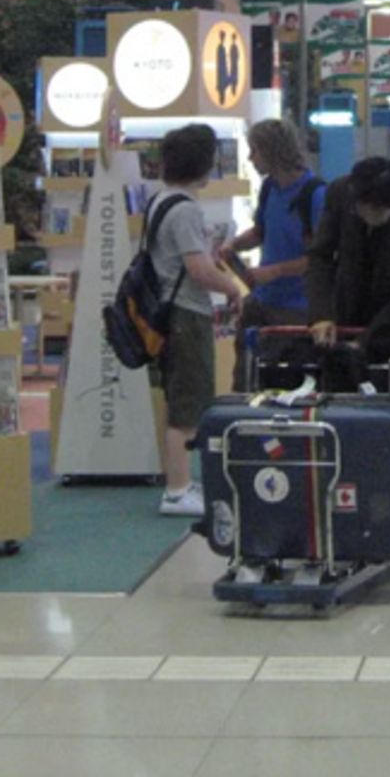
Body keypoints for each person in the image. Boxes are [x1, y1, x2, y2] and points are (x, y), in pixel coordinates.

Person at [147, 123, 247, 518]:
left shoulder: (161, 201)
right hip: (186, 314)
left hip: (169, 312)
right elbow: (198, 268)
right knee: (189, 405)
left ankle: (181, 481)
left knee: (181, 399)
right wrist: (234, 288)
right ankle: (177, 489)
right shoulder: (185, 209)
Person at [305, 157, 390, 379]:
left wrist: (366, 340)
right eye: (361, 207)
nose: (366, 213)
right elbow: (320, 257)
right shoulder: (340, 193)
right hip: (347, 317)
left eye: (376, 209)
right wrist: (322, 315)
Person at [224, 118, 325, 329]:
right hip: (262, 298)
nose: (251, 159)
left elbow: (320, 259)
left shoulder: (315, 195)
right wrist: (232, 246)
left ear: (273, 151)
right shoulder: (269, 187)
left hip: (297, 306)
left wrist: (274, 271)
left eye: (255, 151)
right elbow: (260, 232)